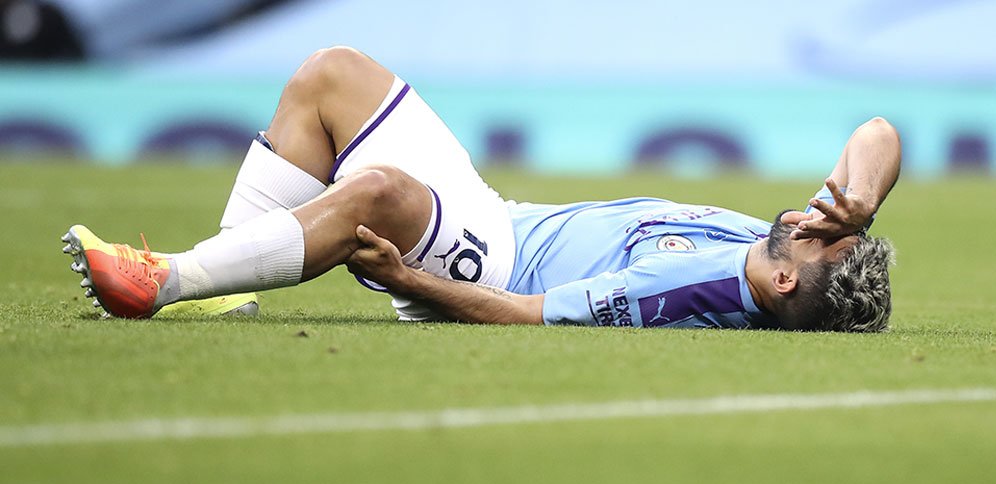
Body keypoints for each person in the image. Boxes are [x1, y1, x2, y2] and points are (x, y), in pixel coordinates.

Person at [61, 46, 900, 331]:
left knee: (378, 192)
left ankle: (167, 281)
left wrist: (408, 281)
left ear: (784, 280)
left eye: (825, 235)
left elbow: (530, 316)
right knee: (333, 75)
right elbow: (876, 133)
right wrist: (861, 201)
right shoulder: (769, 243)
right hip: (498, 216)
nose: (816, 214)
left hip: (493, 266)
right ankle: (222, 286)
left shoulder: (688, 288)